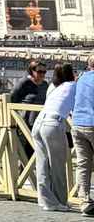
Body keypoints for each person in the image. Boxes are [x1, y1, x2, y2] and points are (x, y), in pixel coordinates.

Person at [32, 63, 77, 211]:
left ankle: (46, 201)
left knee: (42, 165)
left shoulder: (53, 86)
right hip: (53, 124)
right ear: (71, 74)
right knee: (57, 165)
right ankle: (60, 202)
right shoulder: (73, 86)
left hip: (39, 123)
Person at [70, 57, 94, 214]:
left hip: (78, 124)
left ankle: (84, 200)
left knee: (83, 164)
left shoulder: (81, 78)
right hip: (92, 123)